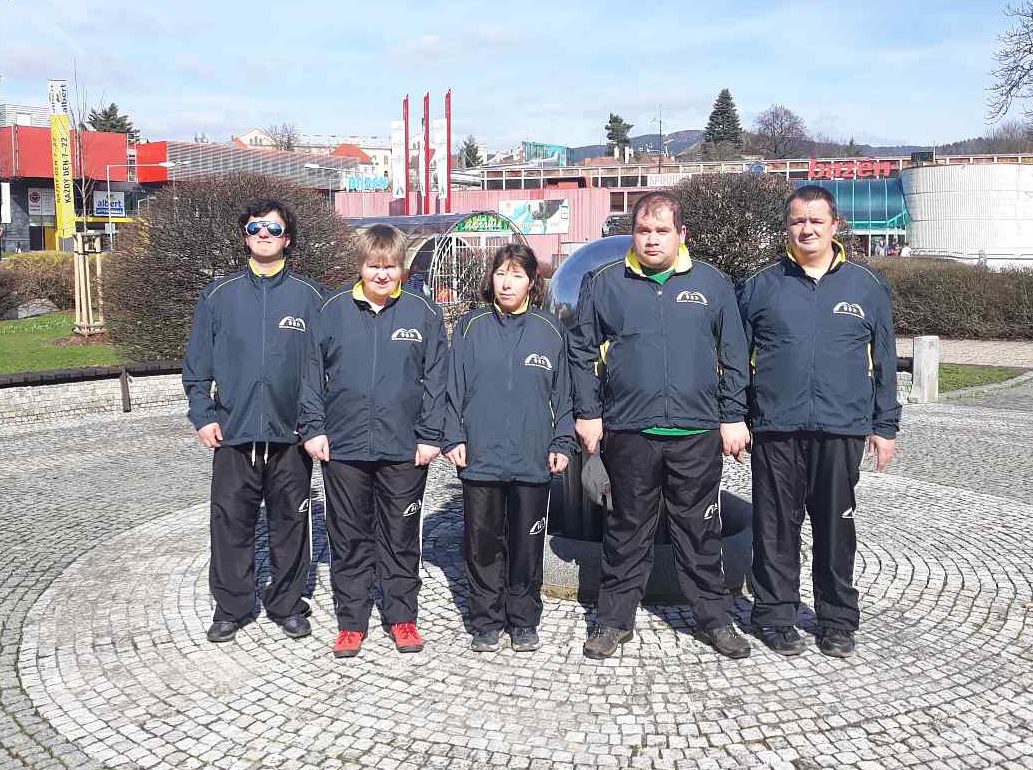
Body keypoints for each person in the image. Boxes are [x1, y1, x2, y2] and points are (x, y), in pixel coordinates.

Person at [568, 190, 753, 660]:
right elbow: (581, 353)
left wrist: (733, 415)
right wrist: (588, 413)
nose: (652, 239)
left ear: (681, 234)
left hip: (696, 432)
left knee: (700, 531)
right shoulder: (605, 282)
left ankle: (715, 619)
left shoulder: (712, 283)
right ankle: (613, 621)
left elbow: (734, 354)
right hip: (630, 431)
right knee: (626, 529)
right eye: (643, 230)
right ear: (633, 233)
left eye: (662, 231)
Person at [737, 185, 901, 659]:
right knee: (775, 528)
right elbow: (735, 360)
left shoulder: (866, 286)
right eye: (797, 221)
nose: (806, 229)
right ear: (786, 227)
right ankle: (775, 616)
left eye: (815, 220)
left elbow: (885, 360)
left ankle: (837, 620)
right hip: (775, 427)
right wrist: (735, 417)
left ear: (835, 225)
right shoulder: (760, 286)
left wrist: (885, 426)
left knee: (835, 529)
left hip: (840, 427)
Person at [300, 224, 447, 658]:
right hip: (343, 447)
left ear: (402, 268)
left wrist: (431, 435)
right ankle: (352, 622)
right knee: (348, 536)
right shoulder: (331, 311)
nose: (382, 275)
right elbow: (309, 375)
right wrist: (313, 428)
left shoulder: (423, 312)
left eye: (390, 267)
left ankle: (402, 617)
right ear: (360, 267)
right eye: (373, 266)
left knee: (400, 535)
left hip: (404, 448)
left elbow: (438, 379)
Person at [182, 199, 323, 644]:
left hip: (291, 436)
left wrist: (315, 424)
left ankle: (287, 604)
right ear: (245, 236)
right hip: (234, 433)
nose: (264, 234)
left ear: (288, 239)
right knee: (230, 524)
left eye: (274, 228)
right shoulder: (219, 296)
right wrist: (203, 416)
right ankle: (232, 607)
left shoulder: (310, 296)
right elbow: (197, 366)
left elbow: (328, 367)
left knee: (291, 525)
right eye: (256, 227)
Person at [442, 244, 574, 653]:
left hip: (532, 456)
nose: (507, 283)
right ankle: (486, 620)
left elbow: (564, 394)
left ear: (532, 281)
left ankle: (523, 619)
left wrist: (562, 440)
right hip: (480, 455)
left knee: (526, 544)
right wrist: (453, 436)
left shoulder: (549, 329)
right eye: (501, 273)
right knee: (482, 543)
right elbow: (453, 388)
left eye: (517, 275)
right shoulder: (470, 327)